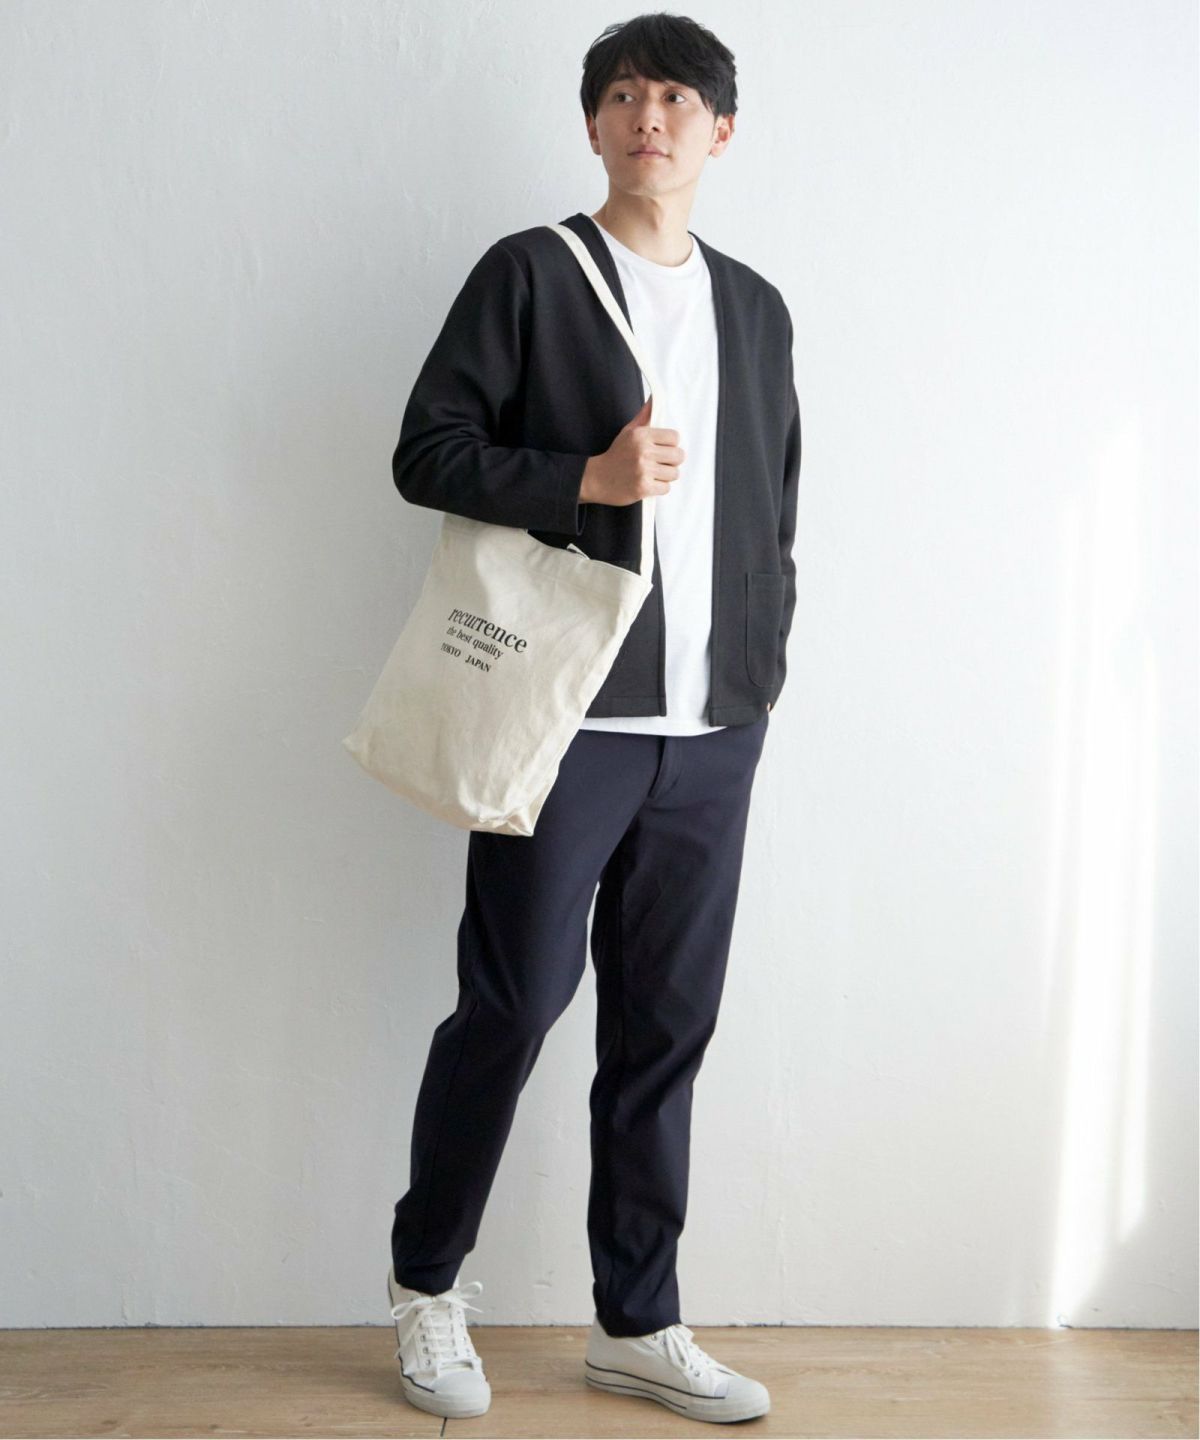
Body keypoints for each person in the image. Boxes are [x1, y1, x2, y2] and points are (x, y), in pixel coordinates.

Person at [384, 11, 801, 1425]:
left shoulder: (755, 307)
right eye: (624, 94)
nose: (649, 117)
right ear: (593, 124)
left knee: (666, 1028)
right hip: (567, 720)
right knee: (512, 1005)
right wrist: (586, 481)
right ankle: (427, 1288)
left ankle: (638, 1320)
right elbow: (427, 451)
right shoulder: (532, 273)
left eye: (677, 98)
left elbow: (774, 500)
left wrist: (758, 665)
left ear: (721, 130)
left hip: (715, 730)